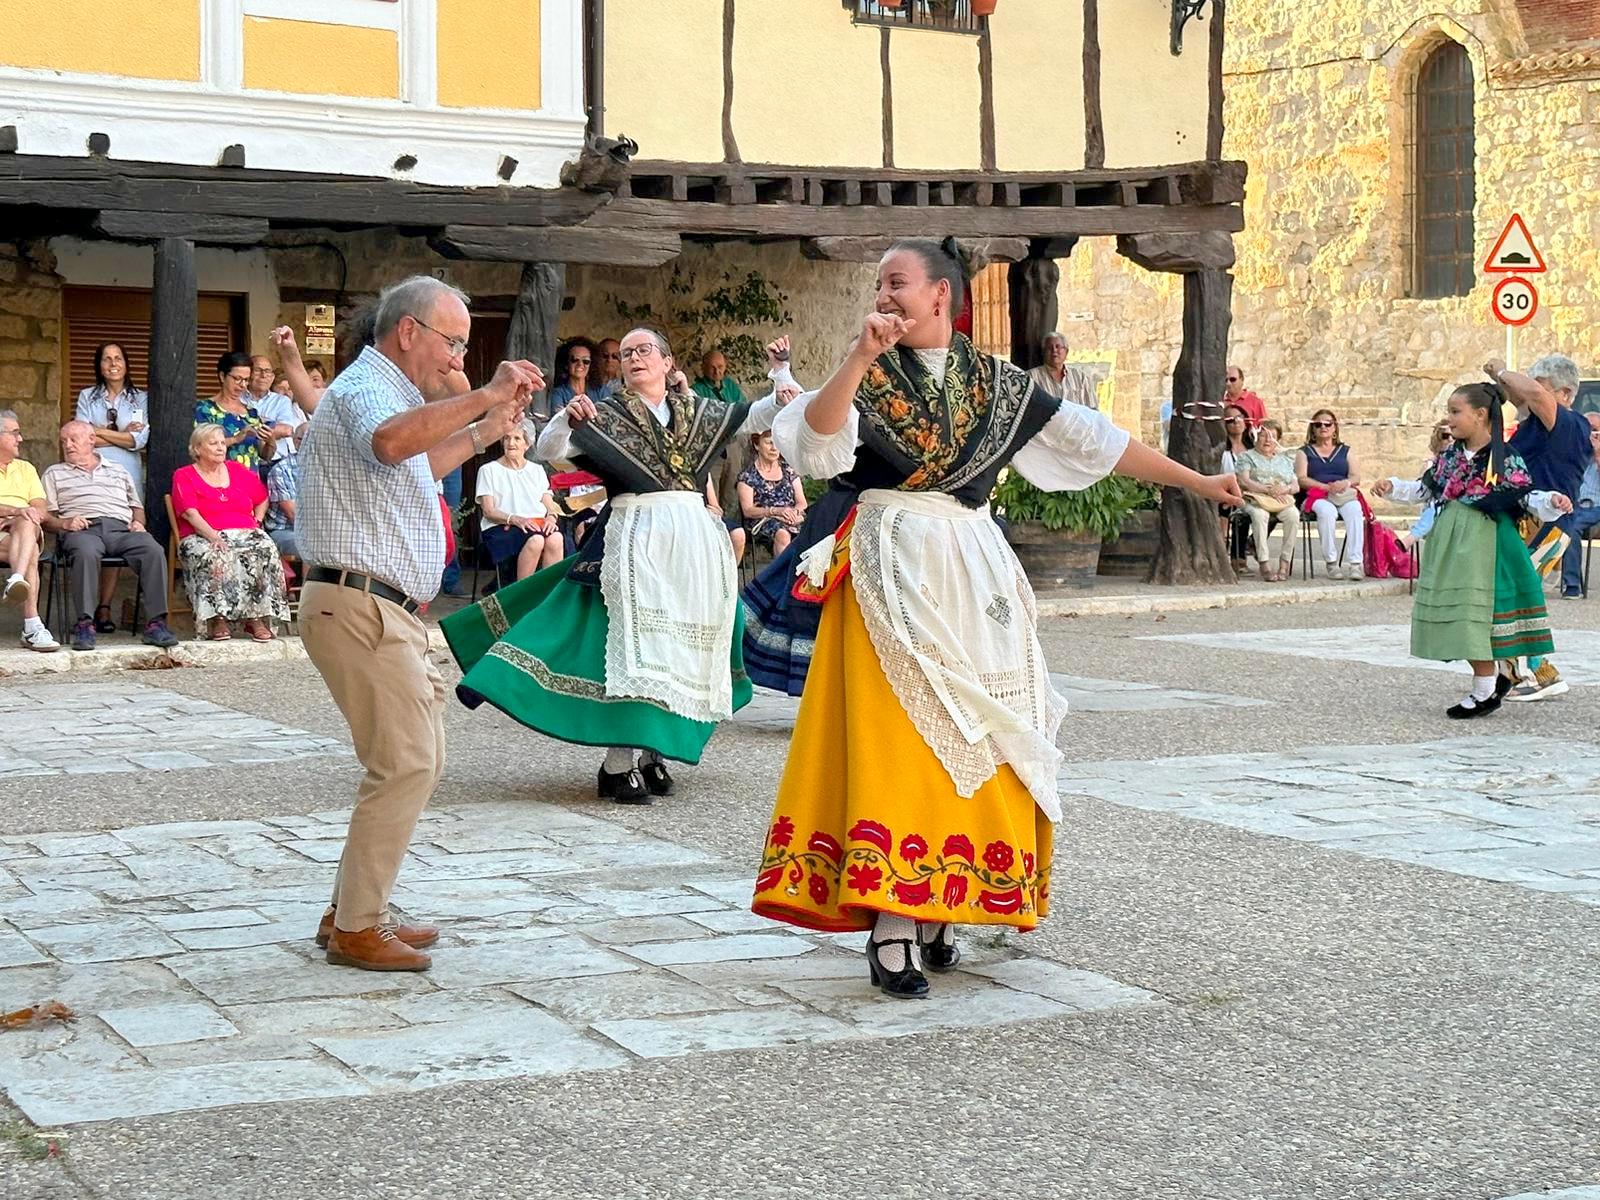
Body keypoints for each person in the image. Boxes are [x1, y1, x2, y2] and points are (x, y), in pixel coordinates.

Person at [747, 238, 1240, 998]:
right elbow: (814, 445)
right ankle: (892, 923)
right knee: (901, 736)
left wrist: (1199, 482)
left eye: (898, 283)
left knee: (986, 734)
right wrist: (855, 356)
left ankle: (944, 900)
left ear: (943, 297)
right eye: (878, 284)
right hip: (891, 562)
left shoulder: (1001, 388)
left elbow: (1097, 443)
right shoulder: (867, 374)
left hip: (974, 568)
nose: (885, 295)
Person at [295, 274, 536, 972]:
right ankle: (357, 925)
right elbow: (394, 445)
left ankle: (351, 909)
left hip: (379, 606)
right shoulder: (370, 387)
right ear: (409, 332)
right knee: (405, 763)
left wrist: (487, 429)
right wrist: (486, 394)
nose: (457, 359)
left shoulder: (388, 395)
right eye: (452, 343)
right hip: (360, 603)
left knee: (409, 761)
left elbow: (418, 462)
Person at [442, 327, 785, 807]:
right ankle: (616, 765)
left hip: (690, 546)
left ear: (667, 362)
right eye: (626, 354)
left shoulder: (699, 413)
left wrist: (780, 375)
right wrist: (567, 415)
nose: (634, 358)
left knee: (672, 650)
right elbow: (550, 448)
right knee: (633, 652)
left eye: (645, 350)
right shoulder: (605, 414)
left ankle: (649, 753)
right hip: (632, 540)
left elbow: (756, 416)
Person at [1373, 382, 1567, 718]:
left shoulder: (1505, 458)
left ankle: (1484, 691)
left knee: (1479, 618)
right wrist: (1394, 487)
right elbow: (1427, 490)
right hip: (1453, 545)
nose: (1448, 419)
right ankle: (1494, 681)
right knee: (1466, 617)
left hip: (1488, 544)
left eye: (1454, 411)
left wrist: (1551, 500)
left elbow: (1523, 495)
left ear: (1480, 415)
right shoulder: (1449, 457)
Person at [41, 421, 180, 652]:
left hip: (121, 529)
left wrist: (138, 523)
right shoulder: (54, 473)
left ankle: (156, 624)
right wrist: (65, 523)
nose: (67, 445)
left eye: (73, 439)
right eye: (64, 441)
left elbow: (136, 507)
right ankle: (85, 624)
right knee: (85, 551)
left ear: (91, 441)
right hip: (82, 529)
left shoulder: (118, 470)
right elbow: (46, 517)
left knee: (152, 549)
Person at [170, 424, 290, 642]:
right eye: (213, 443)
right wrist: (213, 535)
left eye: (223, 443)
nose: (220, 448)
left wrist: (258, 521)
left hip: (244, 530)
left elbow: (262, 498)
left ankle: (255, 619)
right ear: (197, 449)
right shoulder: (184, 475)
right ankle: (219, 619)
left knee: (263, 548)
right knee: (215, 553)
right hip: (202, 533)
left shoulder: (237, 470)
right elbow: (190, 514)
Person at [74, 342, 150, 632]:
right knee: (91, 536)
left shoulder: (140, 399)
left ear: (126, 363)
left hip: (126, 475)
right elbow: (82, 437)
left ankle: (104, 606)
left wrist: (99, 433)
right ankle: (85, 608)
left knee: (117, 533)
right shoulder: (87, 396)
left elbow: (139, 441)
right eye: (106, 359)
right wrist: (119, 434)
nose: (113, 363)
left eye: (118, 358)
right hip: (90, 475)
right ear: (99, 365)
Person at [0, 410, 59, 651]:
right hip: (8, 531)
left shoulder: (26, 469)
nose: (20, 439)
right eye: (14, 433)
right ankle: (32, 626)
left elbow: (40, 508)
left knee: (28, 522)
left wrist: (18, 514)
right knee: (31, 551)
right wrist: (13, 511)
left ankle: (15, 578)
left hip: (20, 529)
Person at [476, 424, 563, 583]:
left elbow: (548, 502)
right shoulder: (488, 470)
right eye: (507, 438)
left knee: (556, 538)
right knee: (536, 540)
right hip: (502, 527)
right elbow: (488, 511)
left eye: (517, 438)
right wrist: (516, 519)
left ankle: (549, 598)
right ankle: (522, 596)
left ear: (527, 444)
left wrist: (551, 517)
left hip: (534, 524)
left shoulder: (537, 470)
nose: (511, 443)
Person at [1295, 408, 1365, 581]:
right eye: (1318, 424)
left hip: (1342, 493)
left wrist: (1345, 483)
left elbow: (1356, 476)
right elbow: (1301, 478)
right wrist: (1324, 487)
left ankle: (1356, 563)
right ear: (1313, 429)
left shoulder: (1346, 451)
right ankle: (1331, 562)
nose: (1323, 427)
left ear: (1335, 428)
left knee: (1355, 510)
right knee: (1327, 512)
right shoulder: (1304, 452)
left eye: (1327, 424)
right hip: (1317, 494)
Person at [1235, 419, 1301, 582]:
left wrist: (1284, 489)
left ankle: (1284, 564)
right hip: (1255, 498)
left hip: (1281, 498)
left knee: (1293, 515)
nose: (1267, 440)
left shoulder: (1285, 459)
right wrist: (1267, 490)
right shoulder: (1247, 457)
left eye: (1272, 436)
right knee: (1259, 515)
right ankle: (1264, 563)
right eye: (1263, 435)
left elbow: (1295, 485)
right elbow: (1244, 481)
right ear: (1256, 437)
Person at [196, 351, 276, 469]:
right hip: (220, 482)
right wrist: (235, 439)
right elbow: (200, 447)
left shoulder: (251, 413)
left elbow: (264, 455)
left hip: (250, 483)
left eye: (246, 379)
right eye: (237, 378)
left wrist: (271, 441)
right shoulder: (205, 409)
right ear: (222, 376)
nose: (242, 385)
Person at [738, 431, 806, 556]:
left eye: (777, 443)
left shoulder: (788, 470)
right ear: (757, 445)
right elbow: (748, 510)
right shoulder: (747, 476)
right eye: (769, 443)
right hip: (764, 519)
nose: (774, 448)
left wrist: (794, 513)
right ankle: (783, 574)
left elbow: (802, 502)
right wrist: (775, 511)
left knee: (816, 528)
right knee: (782, 534)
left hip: (792, 517)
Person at [1397, 420, 1454, 552]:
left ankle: (1411, 538)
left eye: (1454, 436)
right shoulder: (1431, 464)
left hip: (1452, 503)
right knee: (1433, 508)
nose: (1450, 439)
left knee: (1435, 508)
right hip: (1434, 503)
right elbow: (1423, 489)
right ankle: (1412, 537)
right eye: (1445, 436)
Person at [1026, 333, 1097, 408]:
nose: (1054, 350)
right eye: (1049, 348)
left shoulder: (1080, 377)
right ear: (1043, 352)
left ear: (1066, 352)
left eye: (1058, 347)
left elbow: (1093, 408)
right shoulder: (1031, 377)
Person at [264, 450, 299, 558]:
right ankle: (308, 576)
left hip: (316, 530)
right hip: (284, 530)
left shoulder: (326, 469)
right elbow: (294, 515)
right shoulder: (282, 469)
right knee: (313, 544)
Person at [547, 338, 597, 410]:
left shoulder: (601, 391)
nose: (580, 364)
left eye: (586, 361)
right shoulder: (558, 393)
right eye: (575, 360)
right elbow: (558, 418)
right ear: (566, 364)